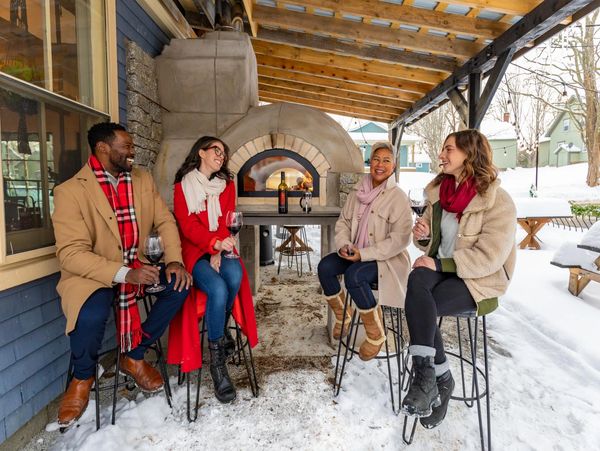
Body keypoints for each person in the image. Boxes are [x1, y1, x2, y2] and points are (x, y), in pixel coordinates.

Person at [52, 122, 192, 428]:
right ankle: (83, 377)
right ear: (103, 148)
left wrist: (173, 260)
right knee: (91, 314)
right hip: (94, 275)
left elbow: (165, 220)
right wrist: (124, 273)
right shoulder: (70, 192)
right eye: (126, 146)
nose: (132, 152)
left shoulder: (140, 179)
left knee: (179, 287)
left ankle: (134, 354)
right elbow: (71, 255)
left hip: (139, 265)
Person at [401, 129, 516, 429]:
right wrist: (423, 237)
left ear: (470, 154)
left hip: (480, 282)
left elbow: (489, 257)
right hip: (443, 272)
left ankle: (432, 380)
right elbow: (432, 247)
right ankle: (435, 378)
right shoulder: (441, 195)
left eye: (448, 149)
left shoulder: (497, 202)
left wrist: (437, 262)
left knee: (423, 305)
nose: (441, 155)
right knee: (417, 282)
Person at [169, 136, 257, 403]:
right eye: (216, 150)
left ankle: (222, 325)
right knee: (217, 288)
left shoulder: (227, 186)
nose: (221, 155)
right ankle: (217, 363)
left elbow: (228, 219)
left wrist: (219, 249)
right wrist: (211, 247)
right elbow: (187, 226)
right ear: (201, 152)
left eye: (224, 152)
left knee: (235, 275)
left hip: (220, 245)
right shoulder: (182, 186)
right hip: (195, 250)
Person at [317, 142, 412, 360]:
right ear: (371, 162)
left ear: (394, 165)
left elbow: (400, 239)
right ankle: (343, 315)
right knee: (325, 266)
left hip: (385, 259)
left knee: (354, 275)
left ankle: (376, 334)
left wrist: (364, 254)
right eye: (376, 159)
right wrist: (344, 244)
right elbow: (343, 223)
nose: (380, 165)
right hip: (355, 252)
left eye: (386, 160)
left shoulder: (398, 197)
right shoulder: (357, 192)